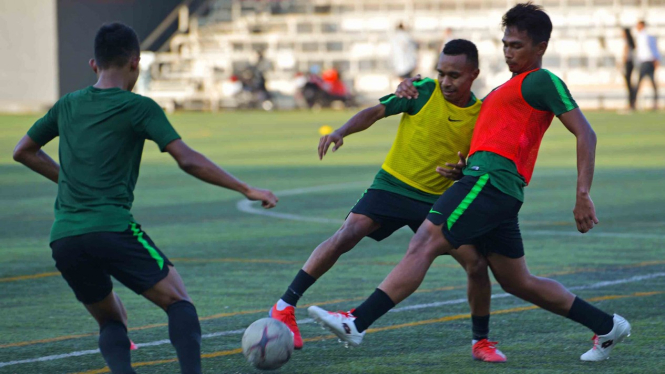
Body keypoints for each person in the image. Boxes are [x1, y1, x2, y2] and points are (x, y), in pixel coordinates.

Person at [308, 3, 631, 363]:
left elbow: (585, 132)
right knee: (517, 281)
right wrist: (463, 167)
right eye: (505, 43)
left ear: (540, 48)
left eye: (517, 46)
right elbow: (503, 139)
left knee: (425, 240)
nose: (509, 51)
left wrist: (583, 193)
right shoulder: (504, 90)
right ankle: (607, 325)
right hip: (489, 186)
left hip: (490, 183)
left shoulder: (542, 80)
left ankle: (357, 321)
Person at [12, 23, 278, 374]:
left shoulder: (67, 105)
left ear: (94, 64)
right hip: (112, 228)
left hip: (64, 237)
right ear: (136, 63)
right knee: (179, 302)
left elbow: (23, 151)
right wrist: (246, 188)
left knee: (111, 320)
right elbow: (187, 158)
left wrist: (70, 182)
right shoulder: (139, 107)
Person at [270, 40, 507, 362]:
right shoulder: (421, 90)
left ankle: (481, 342)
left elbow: (476, 162)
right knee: (348, 233)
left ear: (474, 74)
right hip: (394, 185)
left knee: (477, 265)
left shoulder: (480, 115)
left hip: (437, 199)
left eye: (454, 75)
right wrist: (342, 131)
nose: (446, 81)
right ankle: (284, 306)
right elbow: (377, 111)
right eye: (441, 73)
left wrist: (461, 171)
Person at [634, 20, 662, 110]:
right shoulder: (643, 36)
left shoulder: (644, 36)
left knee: (639, 83)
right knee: (652, 83)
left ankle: (634, 103)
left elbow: (651, 48)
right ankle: (655, 103)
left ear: (642, 25)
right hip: (648, 61)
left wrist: (656, 58)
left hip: (646, 61)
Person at [621, 28, 636, 110]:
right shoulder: (631, 43)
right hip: (631, 64)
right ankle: (632, 102)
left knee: (628, 85)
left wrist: (622, 65)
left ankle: (631, 103)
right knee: (630, 84)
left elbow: (625, 56)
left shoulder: (626, 42)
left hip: (628, 64)